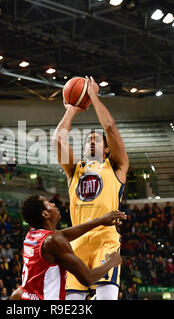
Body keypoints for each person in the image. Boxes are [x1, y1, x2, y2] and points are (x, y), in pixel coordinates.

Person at [52, 76, 129, 300]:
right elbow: (58, 140)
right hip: (77, 243)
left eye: (97, 139)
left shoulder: (116, 167)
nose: (91, 142)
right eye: (88, 140)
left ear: (106, 150)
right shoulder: (74, 169)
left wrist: (93, 95)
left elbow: (110, 127)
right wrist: (72, 109)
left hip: (106, 240)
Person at [10, 195, 125, 300]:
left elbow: (63, 234)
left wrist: (100, 220)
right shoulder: (53, 241)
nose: (54, 205)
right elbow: (88, 278)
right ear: (45, 214)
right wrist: (111, 262)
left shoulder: (32, 235)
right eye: (49, 204)